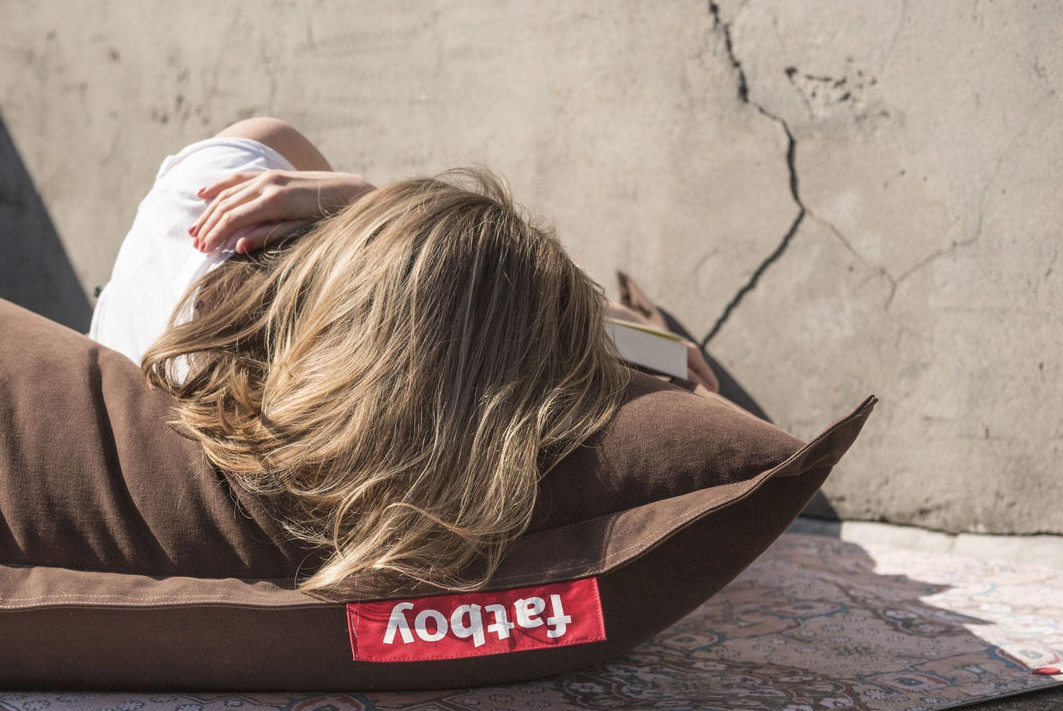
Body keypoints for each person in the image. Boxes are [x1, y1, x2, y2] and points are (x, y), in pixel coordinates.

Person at [90, 117, 717, 596]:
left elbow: (269, 138)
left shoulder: (200, 204)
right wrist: (370, 210)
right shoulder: (435, 490)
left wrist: (369, 208)